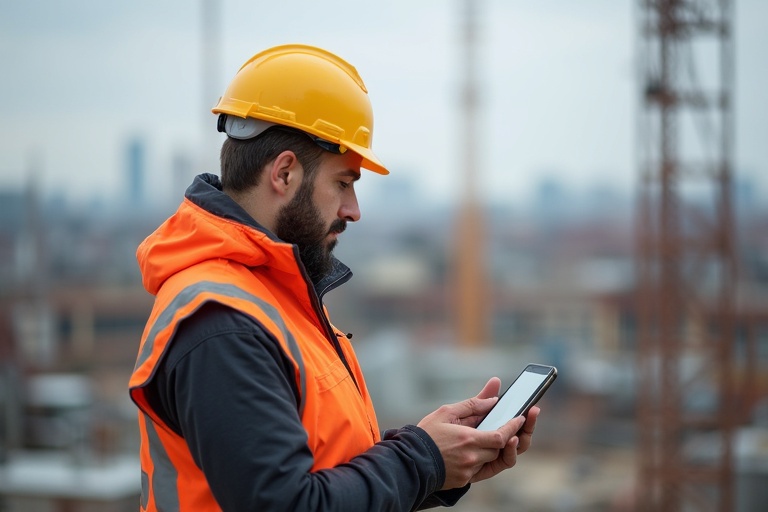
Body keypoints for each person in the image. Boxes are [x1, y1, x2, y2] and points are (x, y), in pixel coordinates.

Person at [128, 44, 541, 511]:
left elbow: (327, 472)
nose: (354, 210)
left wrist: (441, 464)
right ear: (284, 173)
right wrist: (421, 460)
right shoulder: (222, 324)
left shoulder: (273, 297)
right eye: (343, 183)